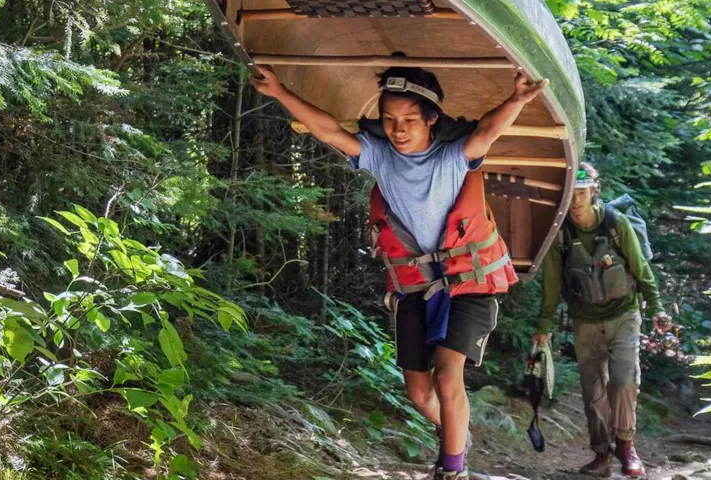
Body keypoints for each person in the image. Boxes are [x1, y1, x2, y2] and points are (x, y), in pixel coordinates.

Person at [252, 65, 546, 479]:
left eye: (409, 120)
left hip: (468, 282)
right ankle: (456, 436)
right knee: (420, 392)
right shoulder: (380, 157)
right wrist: (279, 90)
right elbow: (329, 131)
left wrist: (516, 99)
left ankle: (451, 469)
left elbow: (486, 132)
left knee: (447, 377)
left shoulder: (452, 157)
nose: (398, 130)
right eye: (389, 120)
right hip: (416, 288)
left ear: (430, 119)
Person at [533, 163, 672, 478]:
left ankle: (626, 447)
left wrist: (657, 307)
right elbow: (552, 285)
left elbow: (640, 267)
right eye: (570, 195)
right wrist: (543, 327)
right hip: (585, 321)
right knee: (592, 390)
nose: (575, 202)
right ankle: (601, 454)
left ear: (593, 192)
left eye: (581, 193)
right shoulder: (560, 234)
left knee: (623, 382)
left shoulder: (616, 223)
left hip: (624, 314)